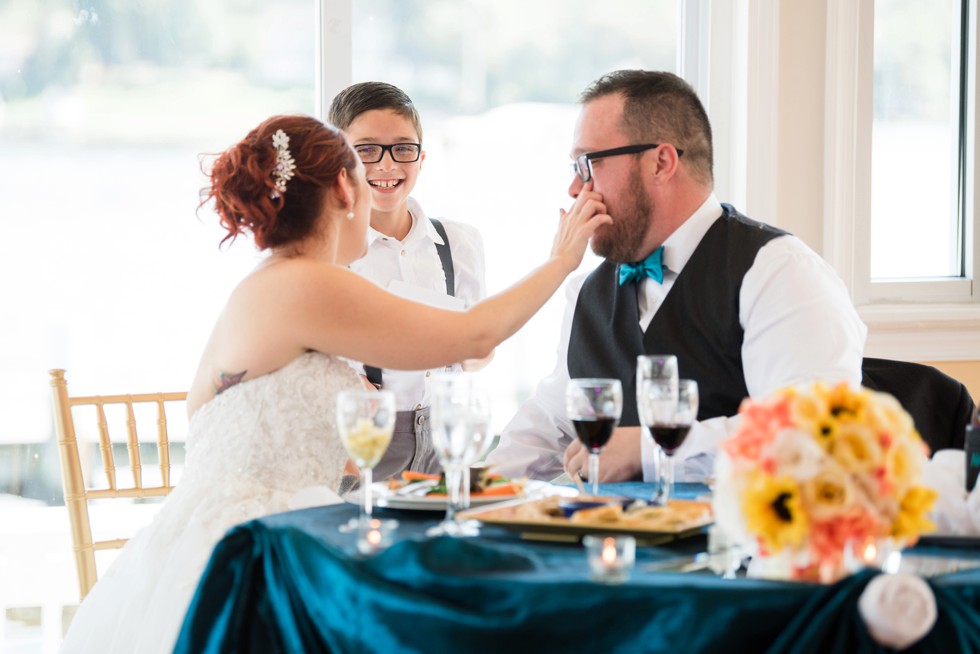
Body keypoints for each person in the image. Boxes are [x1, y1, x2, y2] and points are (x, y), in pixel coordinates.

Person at [59, 115, 609, 653]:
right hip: (264, 551)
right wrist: (563, 260)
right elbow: (474, 336)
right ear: (346, 186)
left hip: (232, 531)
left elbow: (208, 409)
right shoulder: (308, 284)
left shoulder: (274, 279)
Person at [486, 70, 867, 484]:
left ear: (662, 162)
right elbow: (550, 421)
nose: (575, 188)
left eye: (588, 164)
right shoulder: (586, 292)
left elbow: (814, 435)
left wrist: (650, 450)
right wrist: (465, 492)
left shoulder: (779, 272)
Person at [328, 81, 488, 480]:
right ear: (339, 160)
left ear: (421, 157)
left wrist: (474, 346)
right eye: (366, 150)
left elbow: (479, 354)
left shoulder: (459, 241)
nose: (387, 165)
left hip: (447, 432)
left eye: (403, 148)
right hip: (365, 437)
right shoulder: (327, 249)